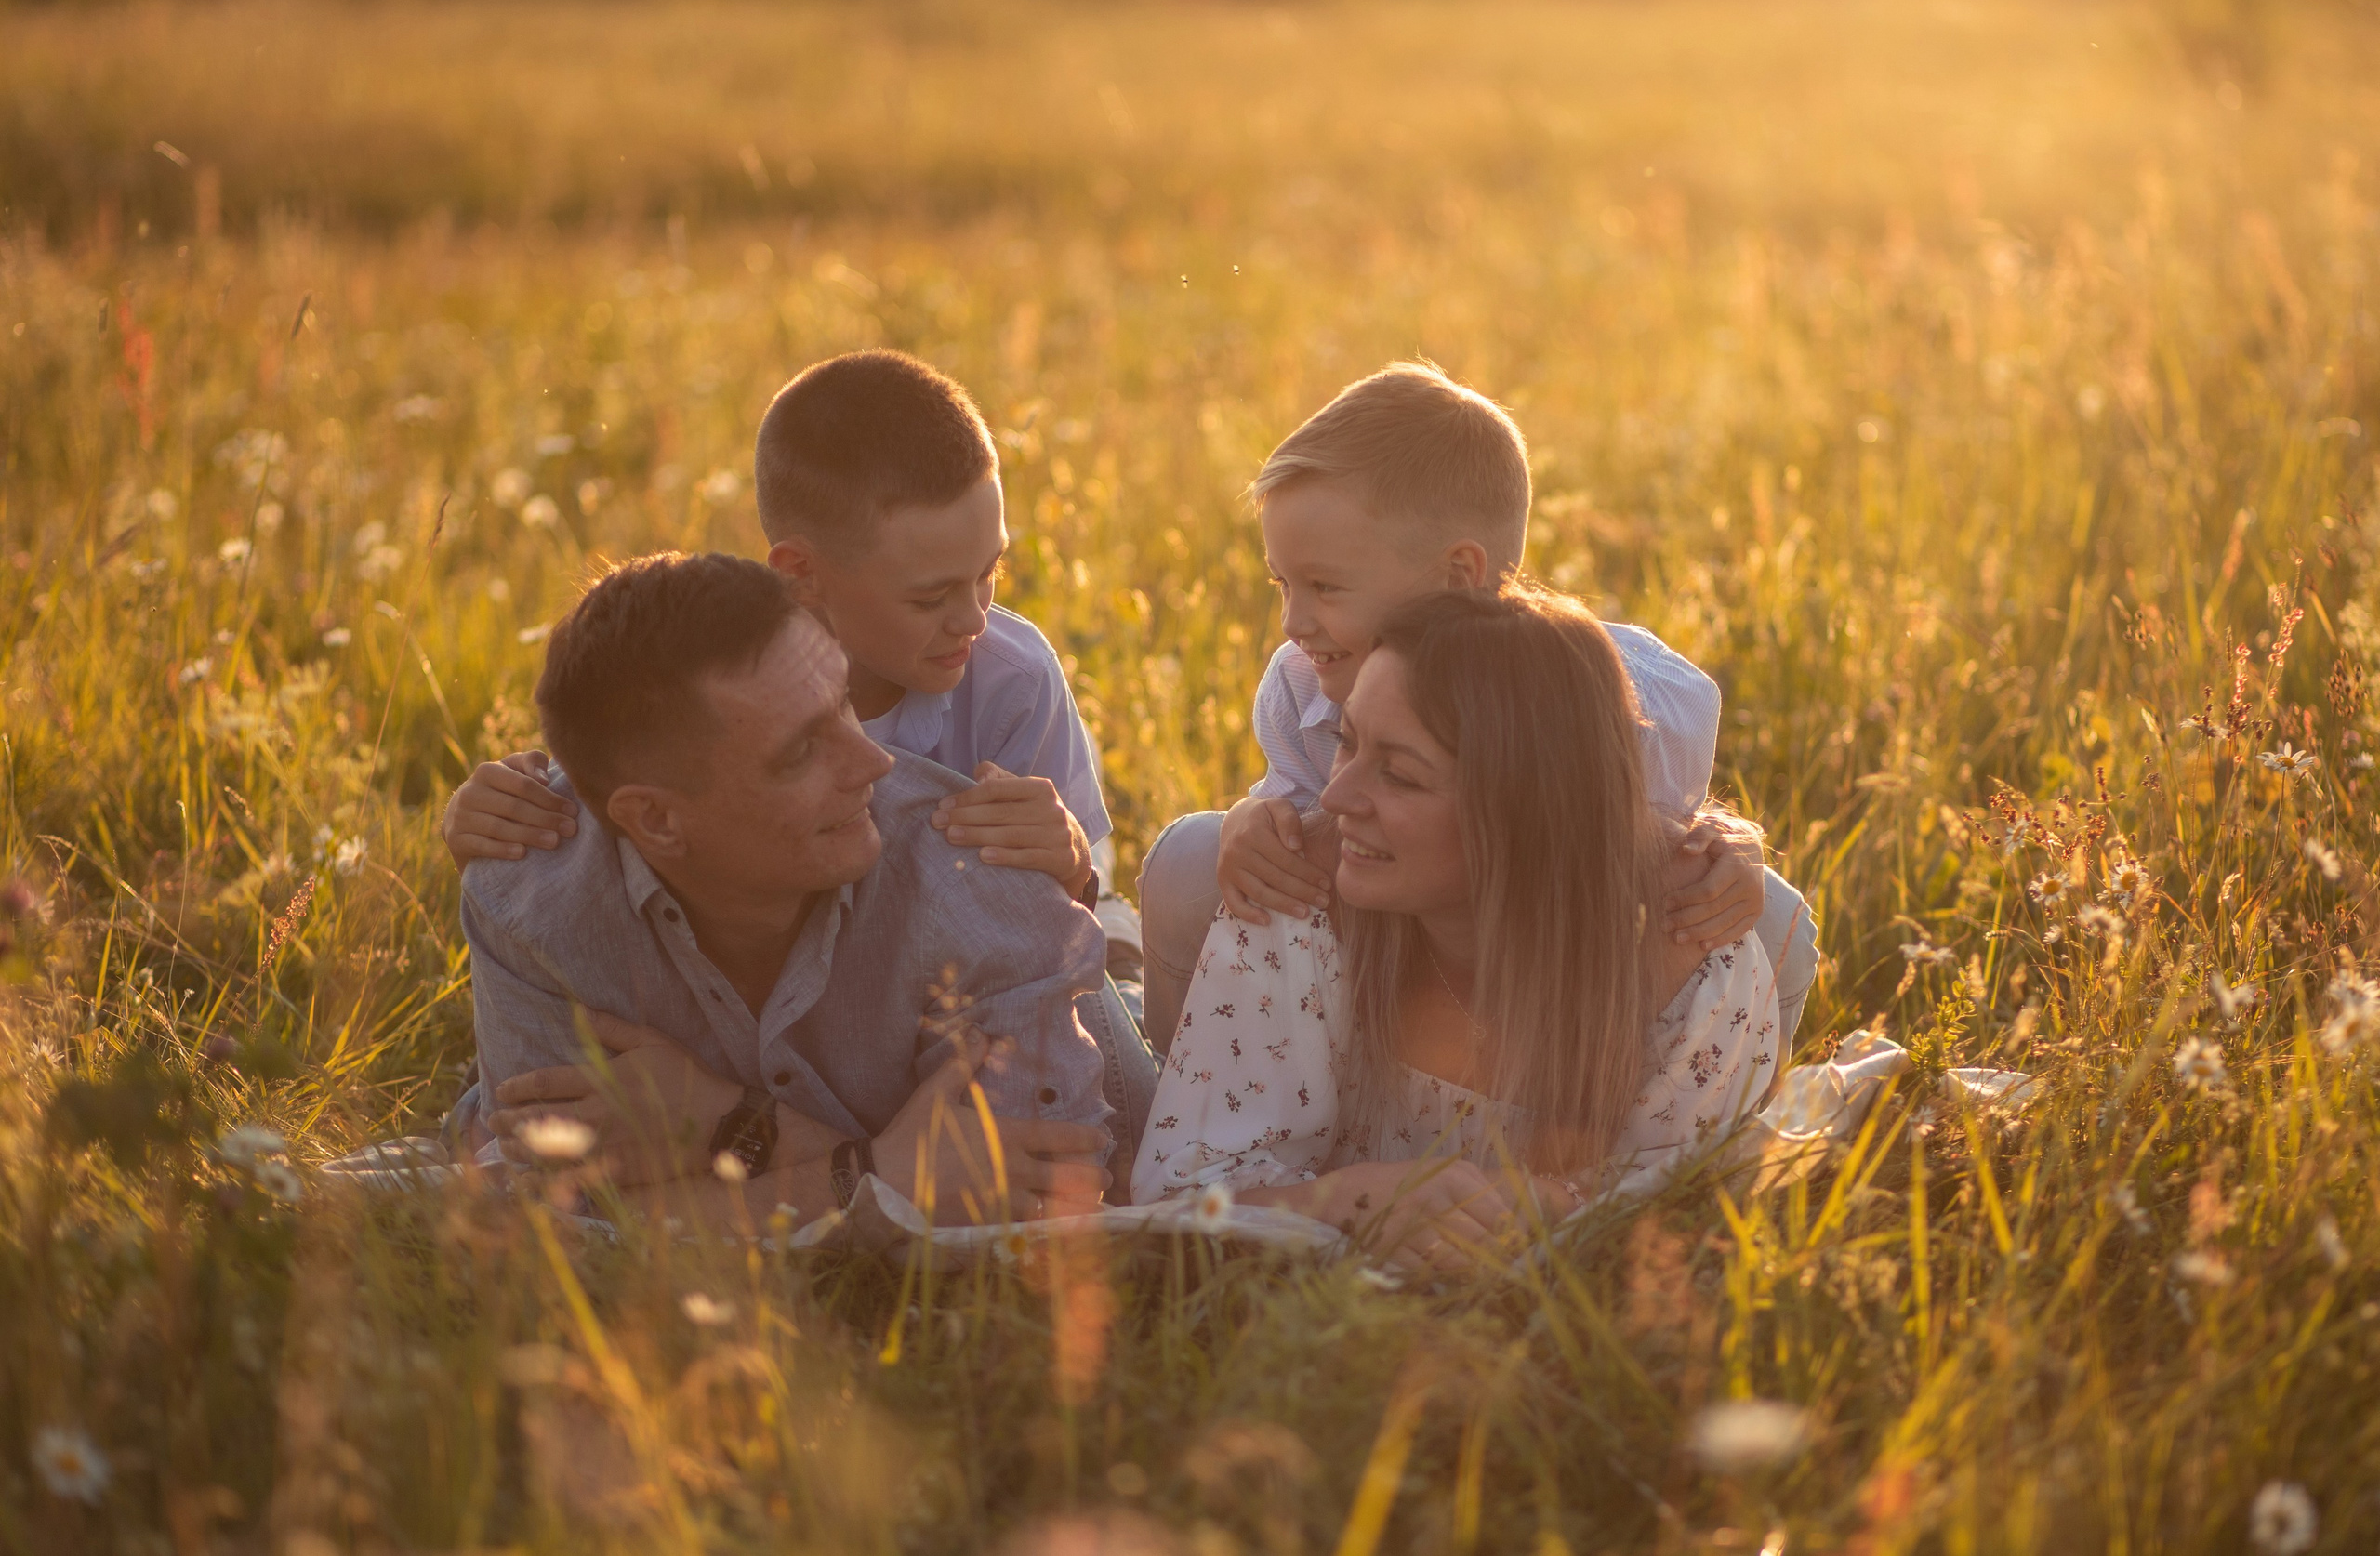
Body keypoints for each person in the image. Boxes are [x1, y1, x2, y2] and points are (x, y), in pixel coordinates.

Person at [1134, 361, 1818, 1051]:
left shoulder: (1629, 695)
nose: (1293, 622)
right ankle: (1193, 1080)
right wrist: (1257, 820)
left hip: (1556, 971)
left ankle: (1710, 1109)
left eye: (1325, 587)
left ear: (1459, 576)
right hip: (1384, 956)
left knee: (1773, 921)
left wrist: (1724, 843)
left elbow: (1662, 852)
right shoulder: (1304, 683)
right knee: (1192, 860)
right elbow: (1305, 836)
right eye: (1282, 584)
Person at [459, 550, 1148, 1230]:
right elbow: (549, 1224)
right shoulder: (528, 899)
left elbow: (1031, 1207)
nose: (872, 761)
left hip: (1114, 1052)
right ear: (657, 820)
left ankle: (1116, 938)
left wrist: (729, 1125)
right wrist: (880, 1176)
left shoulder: (979, 869)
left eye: (844, 702)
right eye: (801, 751)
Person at [1131, 584, 1780, 1274]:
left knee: (1783, 924)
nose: (1336, 796)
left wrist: (1545, 1207)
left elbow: (1699, 1229)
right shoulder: (1296, 891)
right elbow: (1179, 1196)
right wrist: (1351, 1201)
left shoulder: (1694, 961)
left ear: (1528, 814)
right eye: (1347, 743)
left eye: (1400, 777)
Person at [441, 350, 1145, 978]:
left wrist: (1073, 865)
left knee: (1113, 983)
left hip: (954, 980)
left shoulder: (1013, 680)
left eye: (990, 571)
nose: (974, 618)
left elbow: (1049, 921)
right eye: (930, 597)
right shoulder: (709, 671)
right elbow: (631, 787)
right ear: (802, 574)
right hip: (789, 992)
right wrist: (499, 822)